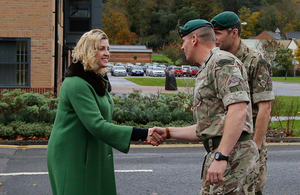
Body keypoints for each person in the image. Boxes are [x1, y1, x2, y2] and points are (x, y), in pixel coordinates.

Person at [149, 19, 260, 194]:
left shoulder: (222, 62)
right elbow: (209, 129)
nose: (181, 47)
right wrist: (169, 132)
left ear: (194, 39)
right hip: (224, 156)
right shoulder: (210, 66)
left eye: (183, 41)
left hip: (233, 159)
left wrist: (221, 156)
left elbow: (239, 111)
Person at [47, 29, 163, 195]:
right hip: (72, 155)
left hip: (89, 151)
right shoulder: (76, 83)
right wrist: (142, 133)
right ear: (88, 51)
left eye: (108, 49)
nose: (107, 53)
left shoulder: (95, 79)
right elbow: (97, 125)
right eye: (101, 49)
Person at [211, 11, 275, 194]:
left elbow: (265, 107)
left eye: (218, 34)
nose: (215, 39)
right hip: (225, 142)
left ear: (234, 33)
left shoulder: (256, 61)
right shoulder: (218, 60)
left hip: (248, 141)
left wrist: (255, 149)